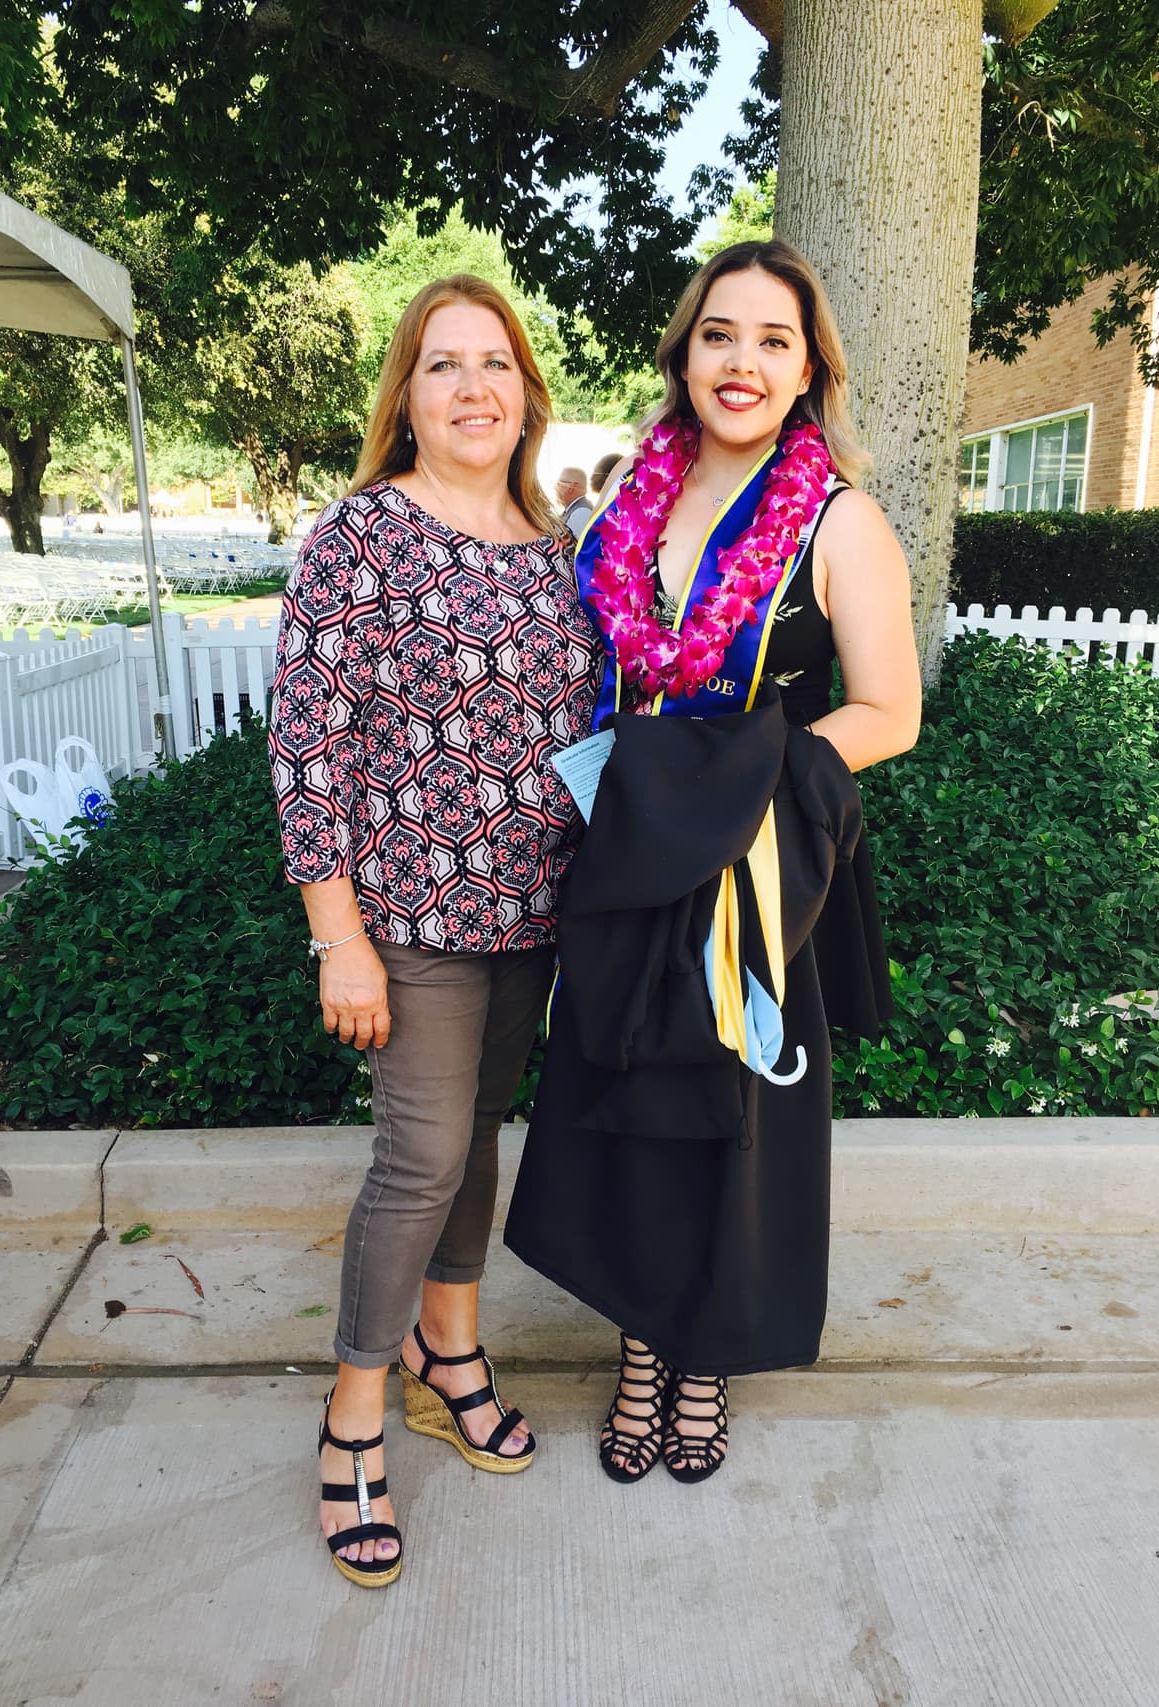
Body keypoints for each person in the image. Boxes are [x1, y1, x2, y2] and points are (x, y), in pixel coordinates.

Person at [505, 240, 921, 1486]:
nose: (741, 363)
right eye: (719, 335)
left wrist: (732, 795)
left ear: (808, 371)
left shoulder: (840, 519)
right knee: (627, 1104)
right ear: (683, 355)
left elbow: (887, 712)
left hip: (748, 869)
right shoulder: (628, 502)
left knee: (728, 1114)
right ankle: (641, 1346)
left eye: (772, 341)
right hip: (629, 856)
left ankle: (702, 1363)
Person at [268, 274, 598, 1587]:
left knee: (476, 1147)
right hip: (408, 911)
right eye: (444, 364)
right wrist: (335, 932)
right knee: (418, 1157)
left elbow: (590, 727)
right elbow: (308, 742)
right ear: (406, 394)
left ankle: (447, 1351)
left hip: (536, 909)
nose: (473, 386)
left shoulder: (557, 540)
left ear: (527, 389)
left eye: (496, 362)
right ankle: (353, 1413)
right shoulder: (361, 535)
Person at [554, 466, 594, 536]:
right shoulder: (576, 510)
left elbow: (579, 546)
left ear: (571, 487)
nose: (555, 488)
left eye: (558, 483)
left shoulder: (581, 513)